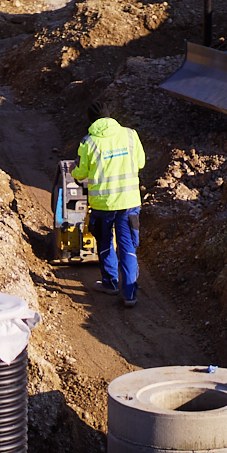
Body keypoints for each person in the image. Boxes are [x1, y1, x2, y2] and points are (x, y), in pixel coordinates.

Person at [72, 103, 146, 308]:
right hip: (129, 203)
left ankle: (110, 283)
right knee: (127, 245)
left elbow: (80, 173)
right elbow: (140, 163)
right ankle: (130, 294)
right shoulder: (131, 135)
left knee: (105, 242)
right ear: (109, 116)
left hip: (103, 204)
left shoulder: (88, 142)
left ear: (91, 121)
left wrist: (74, 170)